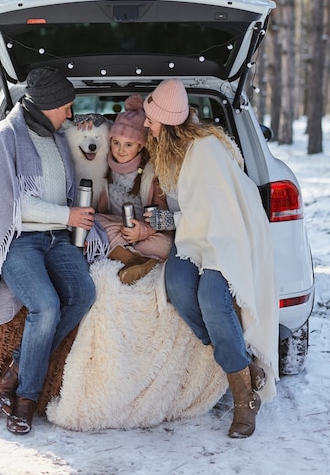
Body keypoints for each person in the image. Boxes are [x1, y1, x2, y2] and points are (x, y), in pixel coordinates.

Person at [0, 66, 96, 435]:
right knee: (46, 305)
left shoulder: (56, 135)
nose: (70, 113)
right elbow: (9, 203)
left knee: (84, 294)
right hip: (20, 239)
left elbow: (93, 141)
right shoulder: (5, 138)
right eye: (65, 106)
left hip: (57, 238)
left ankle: (19, 366)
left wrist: (88, 125)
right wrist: (67, 213)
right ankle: (25, 400)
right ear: (47, 104)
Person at [143, 78, 279, 439]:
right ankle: (241, 362)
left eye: (150, 119)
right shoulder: (169, 152)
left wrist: (165, 222)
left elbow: (219, 212)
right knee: (178, 286)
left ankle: (244, 398)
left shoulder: (205, 150)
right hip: (196, 235)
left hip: (229, 235)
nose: (145, 125)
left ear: (167, 123)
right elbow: (191, 211)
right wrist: (155, 220)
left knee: (212, 298)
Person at [83, 95, 173, 283]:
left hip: (145, 231)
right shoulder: (101, 163)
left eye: (129, 145)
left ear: (141, 146)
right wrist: (90, 122)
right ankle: (135, 260)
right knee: (94, 224)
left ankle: (126, 256)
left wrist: (143, 231)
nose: (120, 150)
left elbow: (161, 214)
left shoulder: (151, 172)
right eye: (116, 143)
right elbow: (84, 137)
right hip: (115, 227)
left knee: (166, 245)